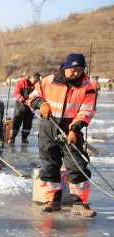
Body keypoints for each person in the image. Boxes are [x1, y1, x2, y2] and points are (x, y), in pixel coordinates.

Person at [27, 53, 98, 217]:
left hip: (71, 129)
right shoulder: (48, 80)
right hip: (48, 126)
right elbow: (32, 97)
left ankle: (80, 203)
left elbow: (87, 110)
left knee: (76, 165)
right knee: (49, 164)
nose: (76, 73)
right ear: (65, 68)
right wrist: (41, 103)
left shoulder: (88, 86)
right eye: (72, 69)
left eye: (79, 70)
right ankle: (52, 199)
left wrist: (75, 128)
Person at [10, 73, 40, 145]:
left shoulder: (36, 85)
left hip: (30, 107)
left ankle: (24, 138)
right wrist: (23, 100)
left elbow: (38, 94)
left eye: (37, 81)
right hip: (20, 106)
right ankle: (12, 138)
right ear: (32, 78)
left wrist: (33, 101)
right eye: (35, 80)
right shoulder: (22, 82)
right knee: (16, 122)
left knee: (28, 124)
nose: (35, 82)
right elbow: (16, 93)